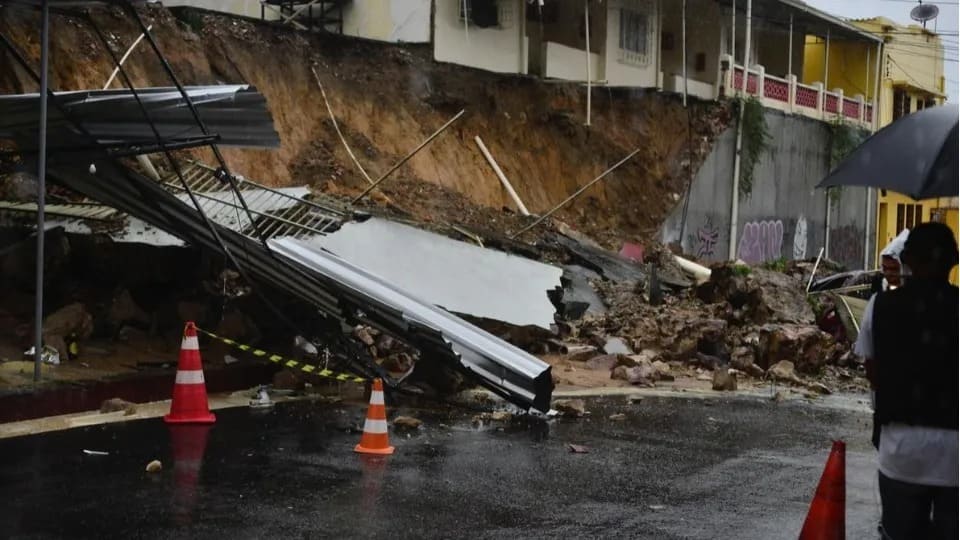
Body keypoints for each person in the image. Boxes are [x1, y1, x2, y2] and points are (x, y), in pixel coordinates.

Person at [855, 222, 959, 539]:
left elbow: (871, 370)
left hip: (901, 450)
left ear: (908, 261)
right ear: (952, 262)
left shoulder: (881, 305)